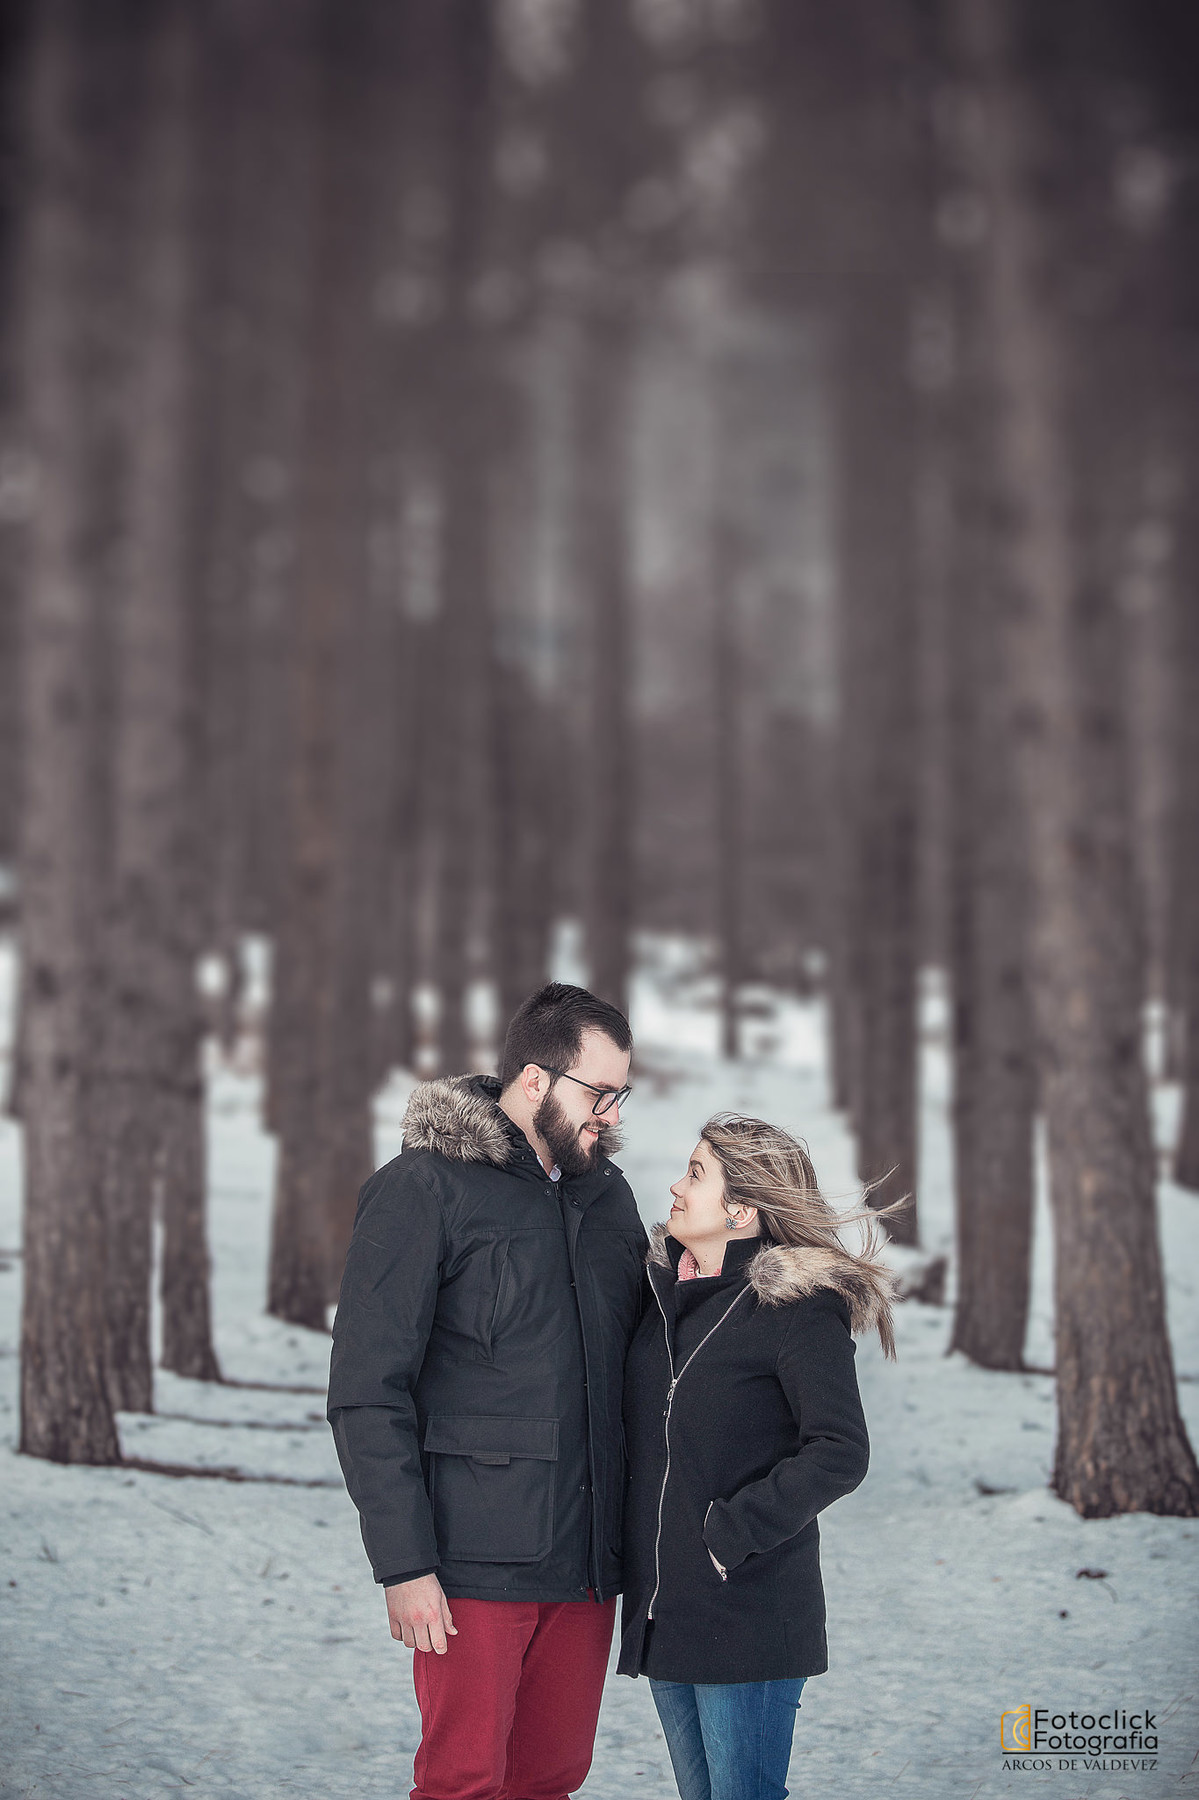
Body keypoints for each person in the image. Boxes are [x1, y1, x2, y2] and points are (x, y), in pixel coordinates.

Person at [328, 983, 648, 1800]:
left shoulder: (607, 1199)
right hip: (471, 1563)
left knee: (551, 1776)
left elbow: (642, 1361)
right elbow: (368, 1391)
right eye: (598, 1092)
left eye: (621, 1095)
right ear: (535, 1081)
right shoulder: (422, 1189)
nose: (611, 1114)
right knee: (464, 1778)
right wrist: (404, 1565)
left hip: (584, 1563)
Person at [618, 1113, 900, 1800]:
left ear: (740, 1209)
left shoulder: (797, 1309)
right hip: (666, 1614)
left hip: (746, 1613)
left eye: (695, 1174)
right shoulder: (664, 1302)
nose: (675, 1189)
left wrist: (728, 1535)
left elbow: (838, 1450)